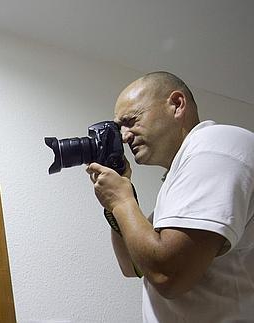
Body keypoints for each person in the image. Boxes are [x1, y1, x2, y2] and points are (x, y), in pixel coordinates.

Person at [86, 71, 254, 322]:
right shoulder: (181, 172)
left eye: (131, 120)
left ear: (177, 104)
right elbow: (133, 265)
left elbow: (168, 274)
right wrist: (117, 200)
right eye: (120, 128)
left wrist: (122, 200)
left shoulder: (214, 146)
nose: (124, 136)